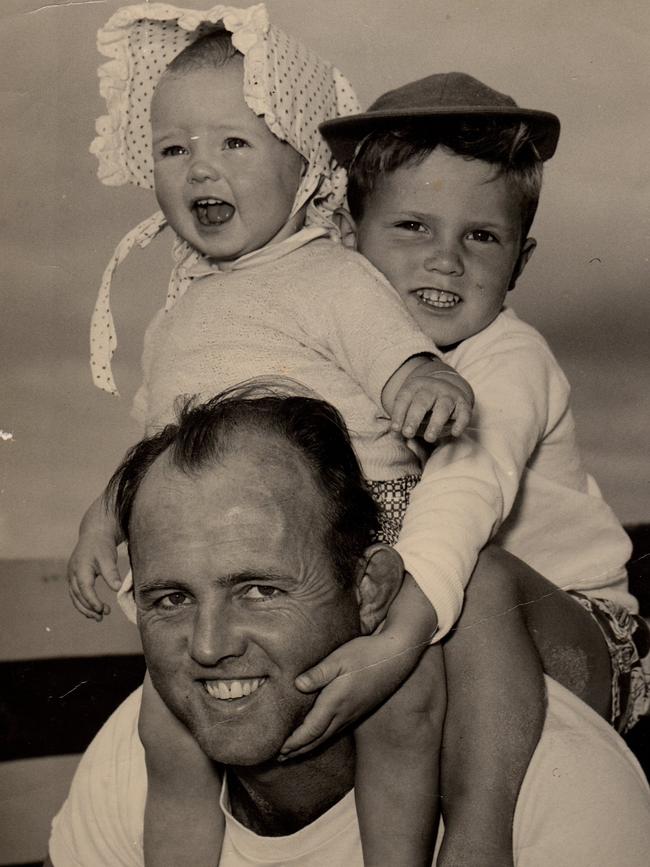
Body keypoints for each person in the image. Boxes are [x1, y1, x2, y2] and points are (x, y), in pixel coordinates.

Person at [68, 6, 475, 866]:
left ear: (303, 162)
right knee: (165, 729)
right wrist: (102, 518)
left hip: (359, 541)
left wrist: (423, 380)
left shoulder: (331, 277)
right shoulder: (178, 312)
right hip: (234, 556)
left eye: (234, 144)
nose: (200, 169)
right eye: (174, 149)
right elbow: (161, 447)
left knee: (403, 702)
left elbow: (393, 356)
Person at [49, 389, 650, 867]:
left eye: (260, 590)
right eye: (172, 598)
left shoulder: (556, 792)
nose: (209, 646)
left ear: (369, 590)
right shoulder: (134, 758)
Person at [318, 71, 650, 860]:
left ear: (521, 260)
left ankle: (479, 833)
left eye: (481, 236)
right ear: (345, 235)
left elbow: (468, 488)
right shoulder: (345, 356)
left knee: (484, 574)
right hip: (443, 613)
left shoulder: (508, 358)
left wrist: (398, 636)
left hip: (576, 633)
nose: (446, 261)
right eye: (412, 226)